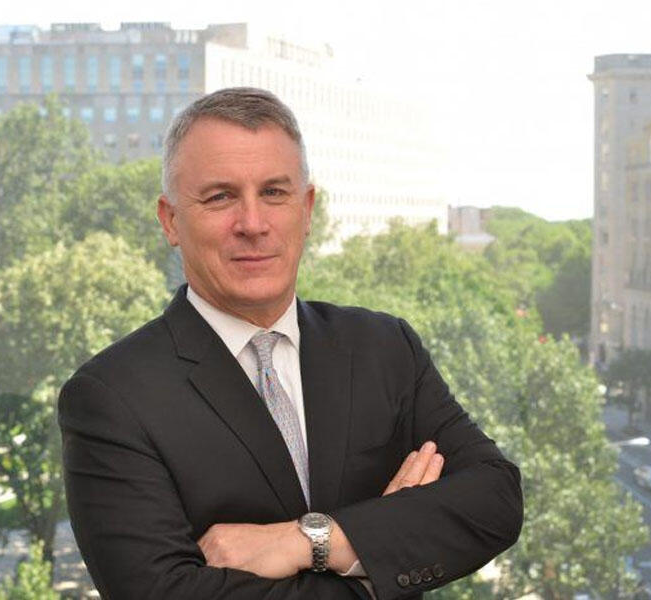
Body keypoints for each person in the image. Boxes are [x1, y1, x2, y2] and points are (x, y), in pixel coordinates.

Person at [58, 87, 523, 600]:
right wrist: (378, 558)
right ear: (171, 220)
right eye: (220, 197)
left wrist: (311, 541)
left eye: (274, 193)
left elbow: (495, 499)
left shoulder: (384, 347)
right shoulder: (111, 397)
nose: (253, 224)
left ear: (307, 209)